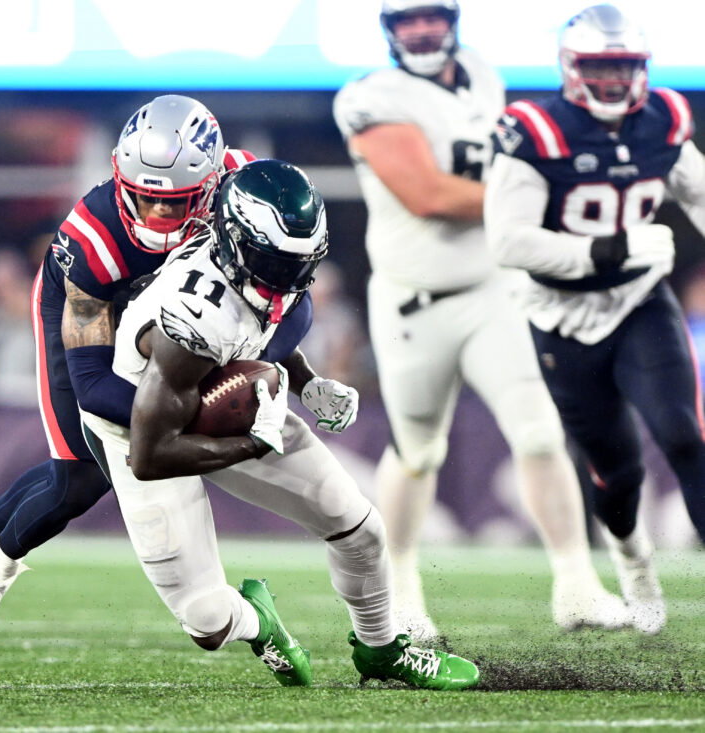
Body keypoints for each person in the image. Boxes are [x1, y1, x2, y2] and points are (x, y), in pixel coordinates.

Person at [79, 159, 479, 689]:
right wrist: (252, 443)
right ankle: (258, 622)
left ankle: (383, 650)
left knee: (360, 530)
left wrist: (308, 383)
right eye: (274, 263)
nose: (287, 279)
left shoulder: (266, 269)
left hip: (229, 398)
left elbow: (257, 332)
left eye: (299, 264)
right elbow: (151, 456)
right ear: (236, 244)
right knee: (207, 620)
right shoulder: (192, 321)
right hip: (140, 429)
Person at [332, 0, 629, 641]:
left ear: (452, 18)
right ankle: (400, 590)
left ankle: (577, 585)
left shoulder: (481, 74)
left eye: (430, 16)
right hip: (414, 299)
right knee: (417, 452)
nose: (420, 30)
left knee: (541, 432)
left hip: (495, 288)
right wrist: (541, 204)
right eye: (406, 20)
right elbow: (428, 194)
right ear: (389, 29)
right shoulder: (369, 96)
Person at [0, 95, 262, 655]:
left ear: (208, 184)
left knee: (84, 477)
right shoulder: (93, 241)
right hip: (92, 313)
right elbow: (94, 388)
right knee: (80, 475)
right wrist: (181, 418)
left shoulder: (243, 189)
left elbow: (292, 288)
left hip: (166, 318)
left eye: (174, 202)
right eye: (145, 197)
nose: (156, 217)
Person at [485, 3, 705, 634]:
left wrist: (625, 258)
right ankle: (634, 564)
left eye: (624, 66)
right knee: (618, 470)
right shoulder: (537, 130)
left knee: (684, 435)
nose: (613, 80)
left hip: (639, 301)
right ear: (570, 68)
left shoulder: (664, 119)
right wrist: (606, 249)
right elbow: (508, 242)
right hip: (561, 314)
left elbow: (697, 191)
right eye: (600, 67)